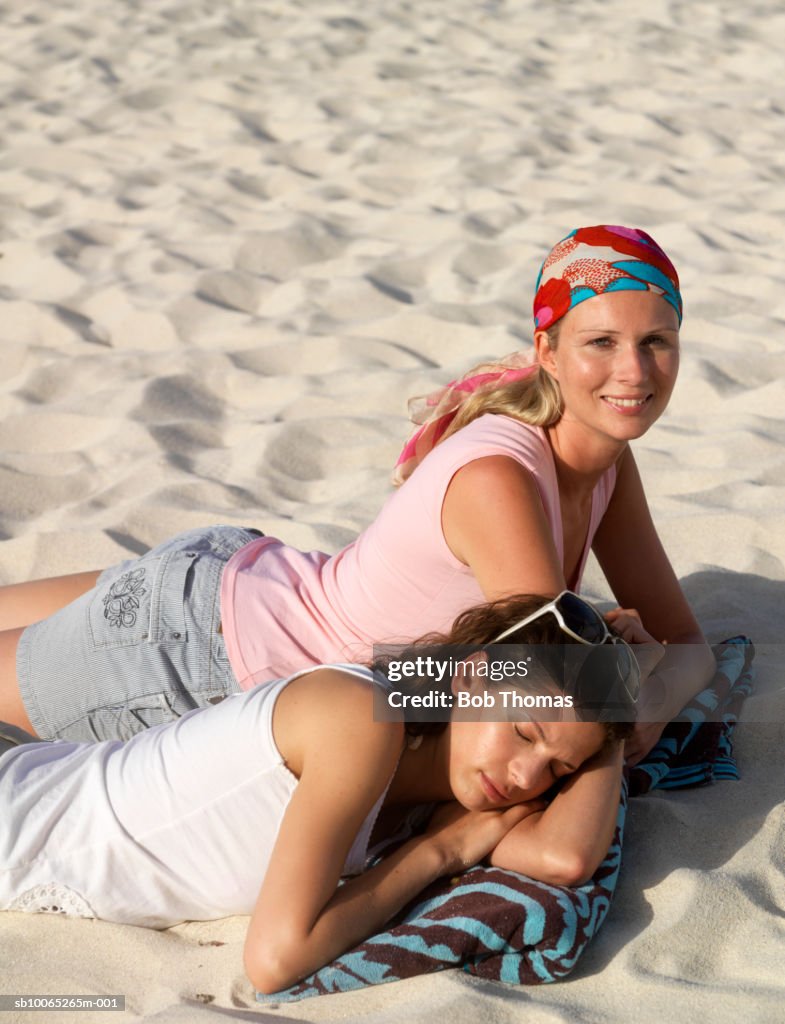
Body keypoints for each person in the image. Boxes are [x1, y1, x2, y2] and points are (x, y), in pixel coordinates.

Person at [0, 224, 714, 761]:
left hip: (233, 580)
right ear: (546, 351)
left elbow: (683, 642)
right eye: (601, 343)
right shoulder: (499, 479)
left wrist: (642, 688)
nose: (633, 370)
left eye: (656, 341)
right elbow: (559, 706)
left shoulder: (606, 466)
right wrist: (638, 675)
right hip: (202, 662)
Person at [0, 593, 640, 995]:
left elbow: (565, 858)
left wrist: (610, 723)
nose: (528, 778)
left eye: (559, 770)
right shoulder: (361, 722)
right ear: (472, 677)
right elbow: (275, 962)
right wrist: (435, 854)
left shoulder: (451, 780)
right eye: (525, 731)